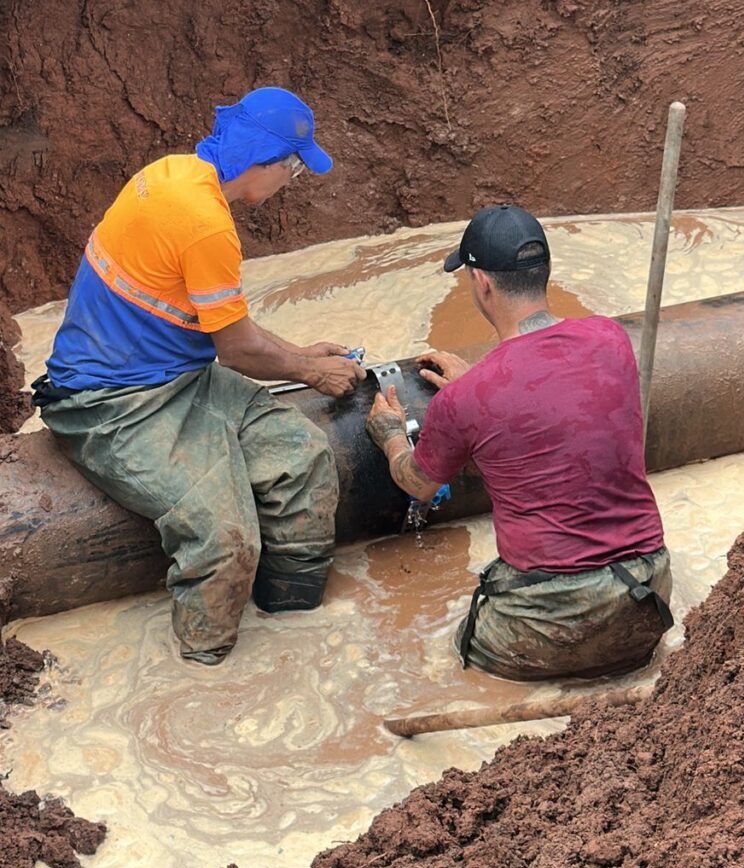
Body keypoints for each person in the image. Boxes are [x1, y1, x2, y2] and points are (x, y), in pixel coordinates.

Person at [32, 87, 365, 666]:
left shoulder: (173, 173)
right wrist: (311, 371)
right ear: (263, 162)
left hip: (179, 377)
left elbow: (224, 326)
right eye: (292, 168)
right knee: (223, 539)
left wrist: (298, 351)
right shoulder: (207, 225)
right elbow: (236, 351)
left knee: (304, 460)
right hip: (110, 403)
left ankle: (296, 629)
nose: (290, 180)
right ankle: (206, 667)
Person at [366, 204, 673, 681]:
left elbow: (418, 483)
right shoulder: (610, 338)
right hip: (648, 595)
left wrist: (389, 435)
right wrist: (478, 389)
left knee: (451, 665)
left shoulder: (468, 399)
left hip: (547, 622)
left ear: (482, 283)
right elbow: (557, 397)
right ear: (544, 272)